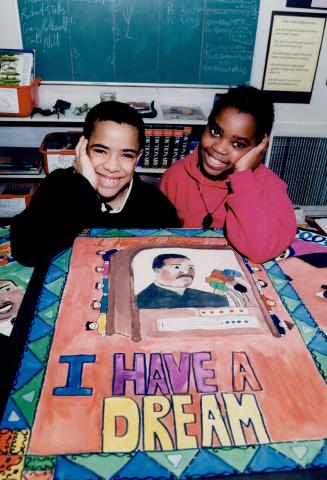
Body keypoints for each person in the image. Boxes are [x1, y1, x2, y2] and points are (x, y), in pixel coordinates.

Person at [10, 101, 180, 267]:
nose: (112, 167)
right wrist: (84, 188)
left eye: (127, 155)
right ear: (83, 149)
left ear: (138, 157)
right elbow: (26, 252)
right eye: (100, 151)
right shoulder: (58, 184)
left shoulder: (155, 204)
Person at [159, 85, 297, 264]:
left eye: (238, 144)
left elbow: (259, 251)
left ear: (258, 148)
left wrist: (243, 179)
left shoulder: (271, 188)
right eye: (215, 132)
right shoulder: (176, 175)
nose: (219, 148)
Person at [136, 253, 229, 309]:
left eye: (190, 267)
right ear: (157, 271)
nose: (187, 271)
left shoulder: (213, 298)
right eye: (177, 267)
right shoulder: (141, 301)